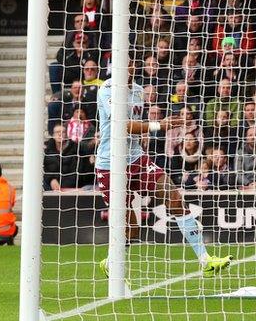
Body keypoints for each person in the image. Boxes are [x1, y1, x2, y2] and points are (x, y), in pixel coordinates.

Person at [95, 62, 233, 278]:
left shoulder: (139, 90)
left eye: (130, 62)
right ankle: (112, 261)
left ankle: (206, 261)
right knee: (132, 228)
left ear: (133, 65)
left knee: (174, 197)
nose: (127, 67)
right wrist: (161, 125)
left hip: (136, 158)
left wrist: (147, 135)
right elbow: (122, 124)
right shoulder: (108, 89)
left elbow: (136, 125)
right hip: (110, 163)